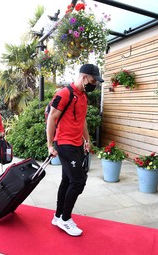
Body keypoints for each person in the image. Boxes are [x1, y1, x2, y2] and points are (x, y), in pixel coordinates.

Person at [46, 64, 104, 237]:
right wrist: (50, 145)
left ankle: (57, 216)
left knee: (67, 180)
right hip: (64, 143)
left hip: (77, 144)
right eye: (93, 80)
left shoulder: (83, 96)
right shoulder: (65, 93)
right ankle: (65, 219)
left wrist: (87, 140)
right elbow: (51, 118)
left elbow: (82, 121)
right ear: (84, 77)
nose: (95, 84)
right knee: (78, 181)